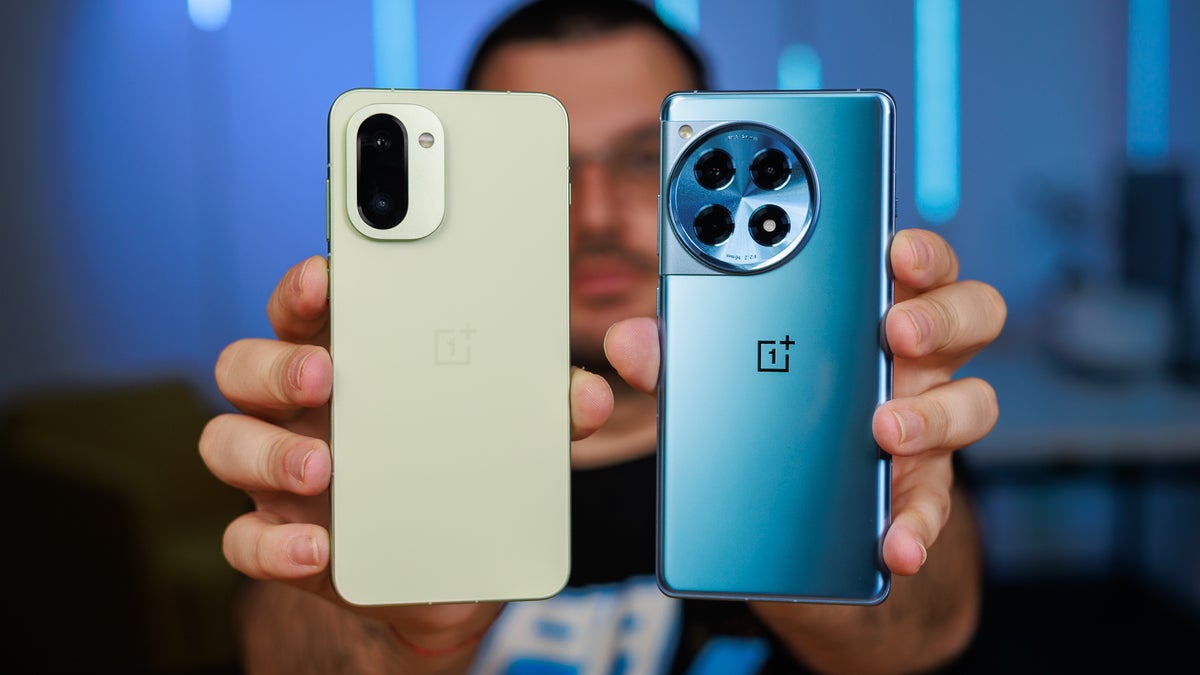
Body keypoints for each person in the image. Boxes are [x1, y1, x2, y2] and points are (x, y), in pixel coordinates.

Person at [199, 1, 1006, 673]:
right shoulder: (375, 426)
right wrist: (413, 621)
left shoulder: (827, 406)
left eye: (643, 158)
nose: (592, 214)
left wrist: (817, 491)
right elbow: (286, 657)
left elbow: (919, 639)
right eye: (541, 167)